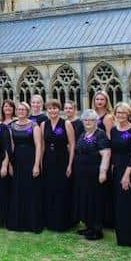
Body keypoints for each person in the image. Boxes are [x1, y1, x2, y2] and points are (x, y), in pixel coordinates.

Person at [72, 109, 111, 241]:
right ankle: (89, 226)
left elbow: (106, 154)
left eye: (91, 120)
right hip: (82, 173)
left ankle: (97, 229)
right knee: (86, 199)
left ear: (96, 122)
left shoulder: (100, 134)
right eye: (86, 120)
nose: (88, 122)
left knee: (95, 200)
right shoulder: (83, 134)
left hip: (95, 172)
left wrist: (103, 171)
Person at [110, 103, 131, 247]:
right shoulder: (113, 130)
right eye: (118, 112)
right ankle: (122, 237)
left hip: (130, 170)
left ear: (128, 114)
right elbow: (113, 151)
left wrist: (127, 174)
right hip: (117, 169)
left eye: (123, 113)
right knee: (119, 203)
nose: (121, 115)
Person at [7, 102, 43, 233]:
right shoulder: (12, 126)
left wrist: (36, 165)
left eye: (23, 109)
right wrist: (10, 164)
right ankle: (18, 222)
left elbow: (38, 145)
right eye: (19, 109)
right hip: (17, 160)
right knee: (18, 189)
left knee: (30, 190)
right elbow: (10, 147)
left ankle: (31, 222)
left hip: (30, 160)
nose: (21, 111)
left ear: (27, 111)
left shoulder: (34, 126)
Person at [41, 99, 76, 232]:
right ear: (47, 110)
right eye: (50, 108)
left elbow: (72, 144)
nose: (52, 111)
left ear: (59, 109)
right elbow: (43, 145)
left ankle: (62, 222)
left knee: (62, 189)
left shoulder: (66, 123)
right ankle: (50, 221)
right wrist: (40, 163)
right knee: (50, 189)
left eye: (55, 108)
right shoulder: (44, 124)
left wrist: (70, 164)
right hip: (48, 159)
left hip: (62, 159)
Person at [92, 90, 114, 228]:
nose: (99, 102)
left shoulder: (108, 117)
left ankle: (107, 219)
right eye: (97, 99)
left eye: (102, 99)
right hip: (93, 155)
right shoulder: (93, 115)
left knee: (104, 186)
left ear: (106, 101)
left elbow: (109, 137)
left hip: (104, 154)